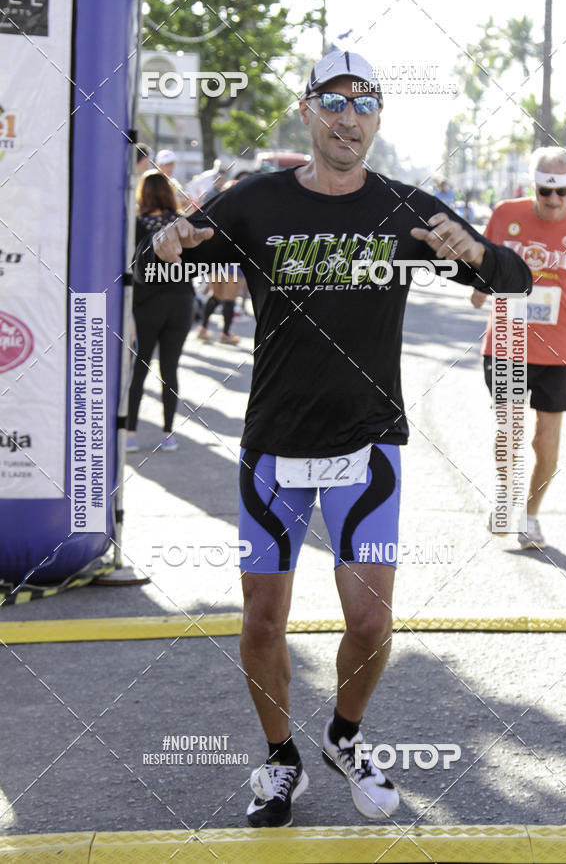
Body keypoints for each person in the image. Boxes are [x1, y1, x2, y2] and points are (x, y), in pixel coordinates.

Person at [137, 51, 531, 828]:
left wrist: (479, 255)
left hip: (368, 438)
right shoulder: (253, 202)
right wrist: (163, 244)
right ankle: (279, 756)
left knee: (372, 621)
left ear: (379, 117)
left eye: (365, 104)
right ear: (309, 111)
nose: (350, 118)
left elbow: (514, 281)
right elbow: (151, 267)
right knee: (260, 620)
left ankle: (344, 736)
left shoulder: (405, 207)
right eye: (334, 103)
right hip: (275, 439)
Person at [471, 146, 566, 548]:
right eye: (545, 191)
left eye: (562, 192)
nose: (553, 201)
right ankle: (508, 497)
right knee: (509, 430)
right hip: (507, 342)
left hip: (560, 350)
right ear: (533, 185)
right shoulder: (504, 215)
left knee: (545, 442)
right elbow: (481, 261)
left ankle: (531, 513)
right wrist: (478, 287)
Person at [127, 170, 194, 453]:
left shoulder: (137, 224)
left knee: (138, 369)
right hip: (181, 301)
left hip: (146, 303)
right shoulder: (182, 223)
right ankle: (168, 433)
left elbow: (131, 265)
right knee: (170, 368)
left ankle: (130, 433)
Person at [196, 179, 241, 345]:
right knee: (228, 298)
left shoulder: (214, 209)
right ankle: (225, 333)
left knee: (216, 295)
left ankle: (203, 328)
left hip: (214, 259)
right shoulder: (240, 212)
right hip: (230, 261)